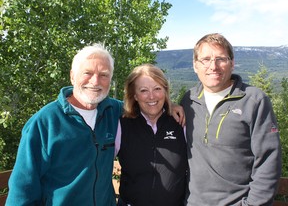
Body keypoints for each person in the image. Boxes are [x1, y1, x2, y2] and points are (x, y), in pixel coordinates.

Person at [6, 44, 185, 206]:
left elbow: (148, 104)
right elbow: (22, 190)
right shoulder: (45, 123)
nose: (95, 81)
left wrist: (172, 106)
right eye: (88, 73)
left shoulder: (115, 111)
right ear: (72, 76)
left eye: (104, 75)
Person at [180, 33, 282, 206]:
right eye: (205, 59)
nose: (213, 66)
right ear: (195, 65)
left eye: (221, 59)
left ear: (232, 63)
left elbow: (268, 161)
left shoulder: (254, 101)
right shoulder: (189, 100)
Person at [115, 64, 188, 206]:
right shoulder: (122, 125)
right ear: (135, 95)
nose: (152, 96)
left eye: (157, 89)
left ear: (165, 92)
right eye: (144, 90)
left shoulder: (180, 123)